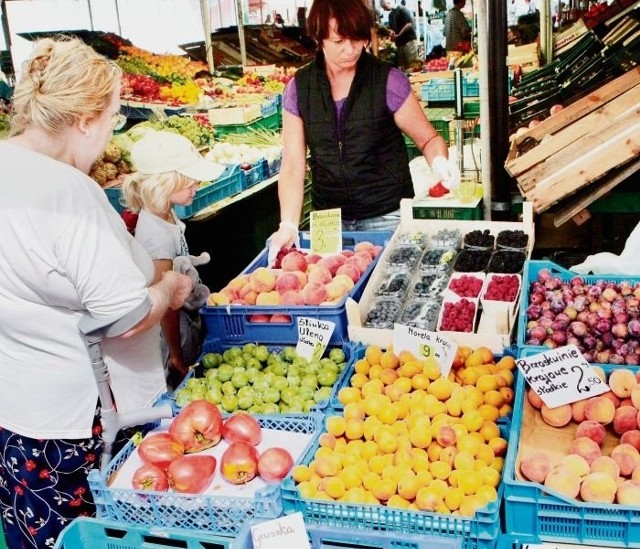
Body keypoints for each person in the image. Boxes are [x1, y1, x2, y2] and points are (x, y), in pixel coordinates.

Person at [0, 37, 192, 549]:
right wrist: (169, 286)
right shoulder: (68, 193)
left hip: (18, 418)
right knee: (97, 535)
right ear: (85, 119)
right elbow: (124, 316)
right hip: (82, 426)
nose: (109, 137)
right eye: (110, 119)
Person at [268, 0, 459, 261]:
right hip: (329, 221)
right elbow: (292, 165)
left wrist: (439, 162)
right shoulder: (299, 89)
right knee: (334, 289)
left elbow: (428, 139)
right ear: (318, 38)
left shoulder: (388, 81)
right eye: (339, 41)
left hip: (386, 215)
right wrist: (288, 223)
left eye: (358, 39)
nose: (351, 49)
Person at [122, 131, 223, 390]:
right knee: (178, 382)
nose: (196, 188)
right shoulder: (155, 236)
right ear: (165, 184)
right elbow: (165, 305)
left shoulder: (165, 212)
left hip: (183, 319)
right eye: (190, 183)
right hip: (172, 331)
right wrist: (177, 355)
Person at [380, 0, 421, 70]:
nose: (384, 9)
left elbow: (409, 24)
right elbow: (392, 28)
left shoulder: (403, 9)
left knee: (413, 65)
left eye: (384, 7)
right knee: (402, 67)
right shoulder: (391, 15)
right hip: (399, 43)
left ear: (388, 3)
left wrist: (399, 34)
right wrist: (391, 34)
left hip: (409, 41)